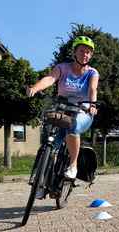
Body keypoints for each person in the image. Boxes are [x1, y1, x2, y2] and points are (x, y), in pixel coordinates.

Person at [27, 35, 99, 179]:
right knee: (51, 141)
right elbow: (50, 79)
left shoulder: (92, 73)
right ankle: (44, 179)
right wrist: (35, 88)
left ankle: (73, 166)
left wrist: (92, 104)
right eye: (82, 51)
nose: (85, 54)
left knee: (73, 128)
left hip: (82, 110)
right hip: (62, 108)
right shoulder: (62, 68)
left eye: (88, 52)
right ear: (74, 52)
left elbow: (92, 89)